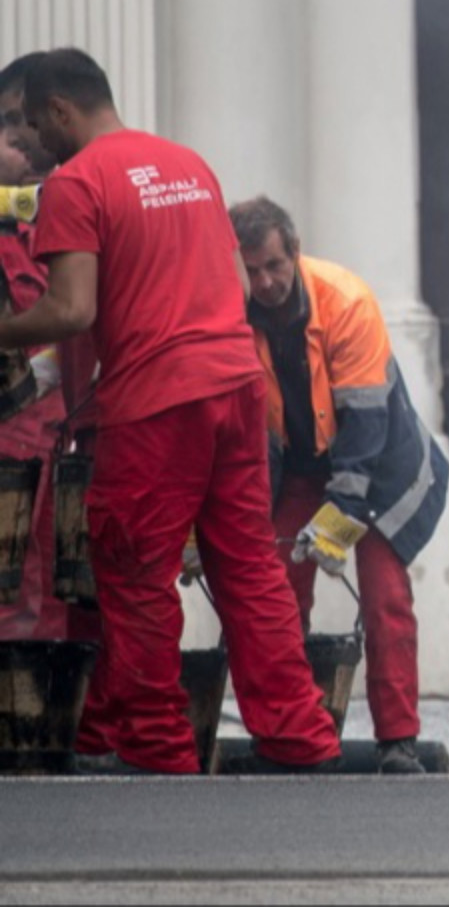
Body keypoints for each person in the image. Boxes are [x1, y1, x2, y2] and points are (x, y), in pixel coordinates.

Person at [1, 48, 339, 774]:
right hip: (235, 386)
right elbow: (227, 288)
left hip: (157, 403)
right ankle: (300, 738)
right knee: (249, 564)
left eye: (33, 124)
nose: (33, 143)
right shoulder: (189, 164)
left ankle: (159, 753)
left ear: (62, 110)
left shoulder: (77, 182)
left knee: (134, 570)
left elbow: (71, 307)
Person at [229, 196, 449, 775]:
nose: (265, 282)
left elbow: (368, 423)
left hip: (376, 472)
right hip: (302, 469)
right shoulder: (233, 313)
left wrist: (340, 516)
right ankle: (287, 732)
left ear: (295, 253)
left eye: (274, 266)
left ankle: (398, 742)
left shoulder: (347, 301)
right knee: (272, 593)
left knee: (385, 600)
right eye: (251, 270)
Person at [0, 52, 67, 642]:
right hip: (9, 439)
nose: (22, 138)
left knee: (56, 586)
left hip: (57, 435)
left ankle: (50, 726)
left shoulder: (44, 222)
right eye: (7, 124)